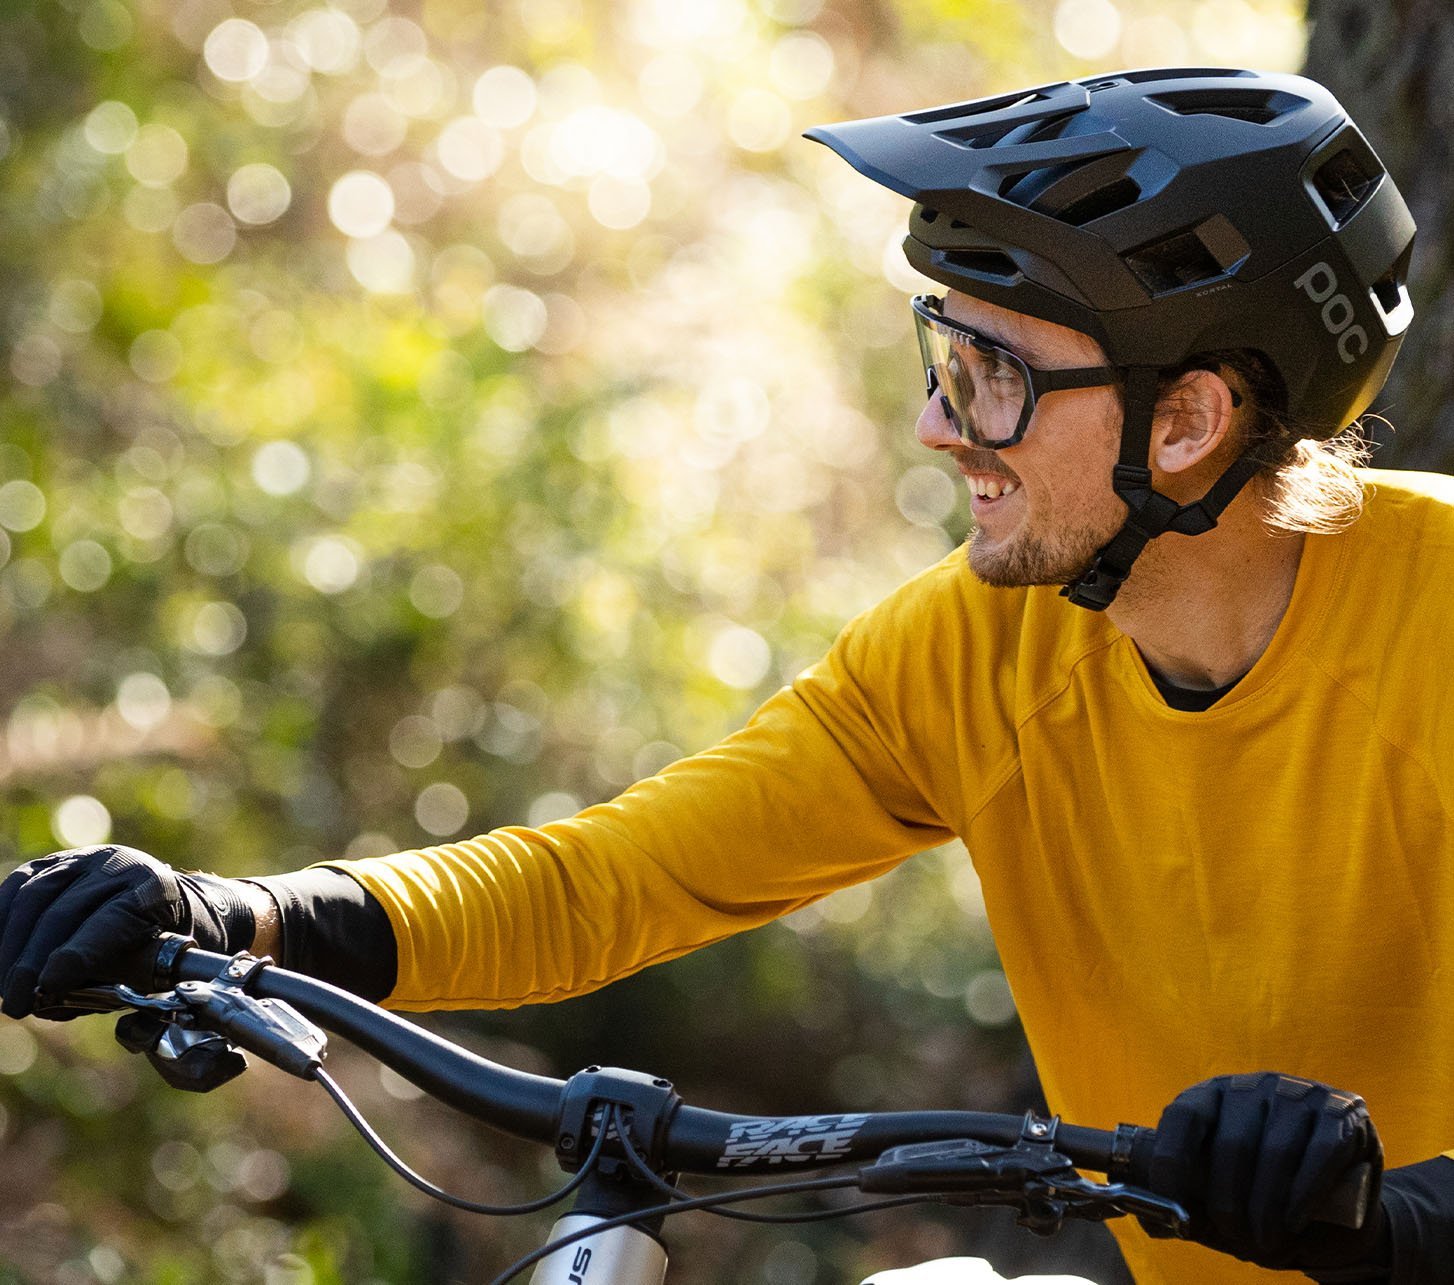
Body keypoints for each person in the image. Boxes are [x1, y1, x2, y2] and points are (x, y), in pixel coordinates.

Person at [0, 67, 1450, 1283]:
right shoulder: (974, 651)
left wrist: (1389, 1222)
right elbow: (609, 878)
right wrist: (241, 917)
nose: (942, 428)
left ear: (1187, 417)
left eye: (993, 374)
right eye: (935, 356)